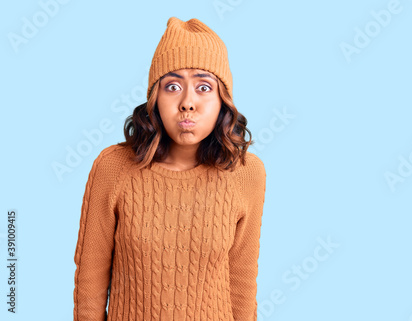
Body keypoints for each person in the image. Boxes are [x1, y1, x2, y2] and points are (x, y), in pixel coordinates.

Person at [72, 16, 267, 321]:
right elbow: (90, 282)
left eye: (204, 87)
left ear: (222, 102)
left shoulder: (246, 172)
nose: (187, 102)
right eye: (172, 86)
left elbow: (242, 283)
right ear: (154, 98)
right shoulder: (113, 167)